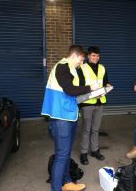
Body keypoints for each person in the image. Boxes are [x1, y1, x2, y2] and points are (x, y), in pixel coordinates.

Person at [41, 45, 98, 191]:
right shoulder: (62, 67)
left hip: (69, 116)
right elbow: (70, 90)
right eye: (81, 59)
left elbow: (72, 96)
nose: (82, 62)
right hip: (61, 118)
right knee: (61, 156)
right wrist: (90, 87)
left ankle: (67, 183)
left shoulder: (71, 69)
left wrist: (94, 94)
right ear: (75, 55)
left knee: (66, 154)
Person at [77, 46, 112, 165]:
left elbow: (106, 82)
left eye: (97, 55)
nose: (95, 58)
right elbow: (79, 87)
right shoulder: (82, 68)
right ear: (88, 56)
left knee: (95, 129)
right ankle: (83, 153)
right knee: (86, 129)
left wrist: (107, 87)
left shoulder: (102, 68)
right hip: (87, 103)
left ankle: (95, 150)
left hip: (100, 102)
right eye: (93, 55)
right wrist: (92, 93)